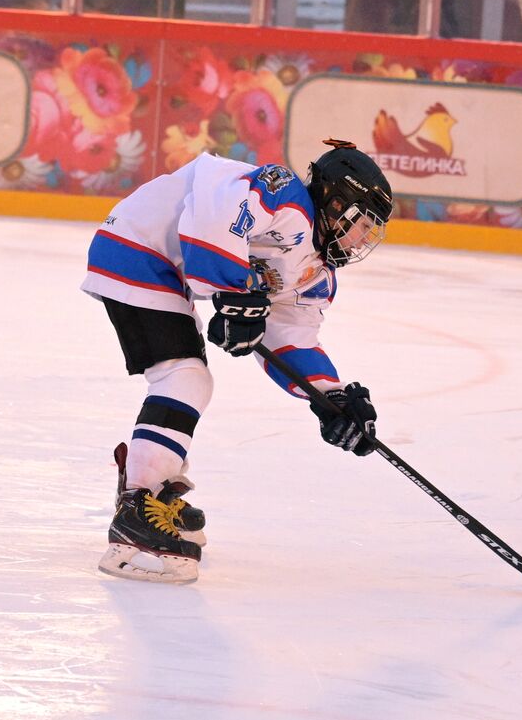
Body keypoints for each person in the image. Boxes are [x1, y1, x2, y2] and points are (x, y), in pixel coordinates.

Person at [81, 139, 394, 583]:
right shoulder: (285, 194)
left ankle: (151, 492)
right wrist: (231, 291)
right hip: (138, 245)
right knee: (185, 378)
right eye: (361, 224)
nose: (363, 239)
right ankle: (136, 512)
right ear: (335, 201)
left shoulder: (315, 272)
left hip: (160, 264)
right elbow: (217, 203)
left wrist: (330, 398)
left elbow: (291, 334)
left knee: (187, 378)